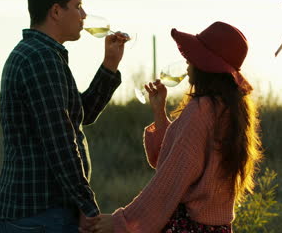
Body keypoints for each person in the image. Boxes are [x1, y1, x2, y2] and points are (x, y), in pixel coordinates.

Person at [81, 21, 263, 233]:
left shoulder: (201, 110)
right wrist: (160, 113)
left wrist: (122, 221)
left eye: (193, 57)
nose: (187, 63)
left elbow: (169, 179)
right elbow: (174, 159)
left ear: (206, 64)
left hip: (187, 226)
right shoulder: (232, 111)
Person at [0, 0, 128, 233]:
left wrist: (110, 66)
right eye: (77, 6)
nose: (84, 15)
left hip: (38, 214)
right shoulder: (41, 59)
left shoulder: (40, 55)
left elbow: (81, 115)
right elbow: (60, 141)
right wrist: (88, 206)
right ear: (56, 11)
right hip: (42, 216)